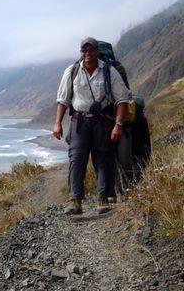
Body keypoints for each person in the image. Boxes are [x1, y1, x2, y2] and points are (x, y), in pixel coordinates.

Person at [53, 37, 129, 214]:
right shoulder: (71, 71)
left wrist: (118, 125)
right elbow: (63, 100)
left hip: (102, 121)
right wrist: (57, 123)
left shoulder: (109, 71)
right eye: (84, 50)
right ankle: (75, 201)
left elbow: (122, 100)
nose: (87, 53)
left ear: (97, 52)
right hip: (79, 122)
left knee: (103, 158)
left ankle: (103, 199)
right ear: (81, 52)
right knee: (76, 158)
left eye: (91, 50)